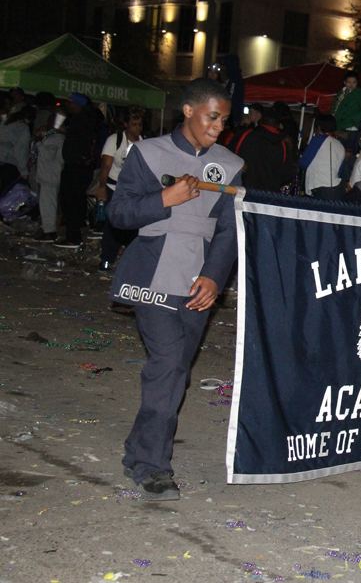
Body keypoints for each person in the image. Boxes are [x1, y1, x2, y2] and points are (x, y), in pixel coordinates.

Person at [107, 78, 244, 500]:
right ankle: (153, 467)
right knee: (167, 366)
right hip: (153, 276)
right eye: (212, 116)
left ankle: (137, 448)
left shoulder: (232, 164)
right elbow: (119, 213)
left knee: (175, 373)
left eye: (224, 119)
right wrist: (164, 197)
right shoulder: (147, 153)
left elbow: (228, 231)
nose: (219, 126)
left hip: (198, 283)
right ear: (188, 110)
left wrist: (214, 278)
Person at [96, 106, 145, 271]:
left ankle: (131, 263)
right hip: (114, 187)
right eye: (133, 124)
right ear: (126, 124)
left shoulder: (145, 143)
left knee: (134, 228)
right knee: (112, 227)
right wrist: (102, 187)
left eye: (139, 124)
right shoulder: (115, 140)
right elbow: (106, 166)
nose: (137, 128)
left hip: (135, 192)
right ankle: (107, 259)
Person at [55, 92, 97, 248]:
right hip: (80, 167)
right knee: (76, 201)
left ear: (78, 105)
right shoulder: (85, 120)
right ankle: (75, 234)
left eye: (71, 103)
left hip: (76, 167)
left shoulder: (80, 120)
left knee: (70, 201)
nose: (68, 106)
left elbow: (79, 143)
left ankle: (73, 237)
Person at [233, 108, 296, 193]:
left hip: (245, 191)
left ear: (261, 121)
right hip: (270, 195)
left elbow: (231, 158)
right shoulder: (283, 145)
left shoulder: (246, 136)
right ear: (277, 125)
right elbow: (288, 173)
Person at [32, 109, 66, 242]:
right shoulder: (57, 137)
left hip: (50, 176)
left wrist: (39, 142)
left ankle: (49, 231)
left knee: (48, 206)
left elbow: (48, 156)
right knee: (48, 205)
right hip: (50, 175)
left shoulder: (55, 138)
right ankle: (48, 230)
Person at [301, 114, 345, 201]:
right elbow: (340, 171)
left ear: (319, 127)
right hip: (336, 188)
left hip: (321, 187)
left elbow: (303, 163)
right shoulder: (340, 145)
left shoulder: (318, 139)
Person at [0, 104, 34, 185]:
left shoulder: (6, 123)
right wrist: (23, 171)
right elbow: (21, 150)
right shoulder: (22, 128)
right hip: (8, 161)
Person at [329, 70, 361, 137]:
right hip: (337, 126)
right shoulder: (341, 93)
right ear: (345, 82)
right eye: (349, 82)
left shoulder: (359, 93)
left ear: (357, 83)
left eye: (354, 82)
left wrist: (354, 119)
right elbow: (334, 107)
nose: (351, 85)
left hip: (350, 127)